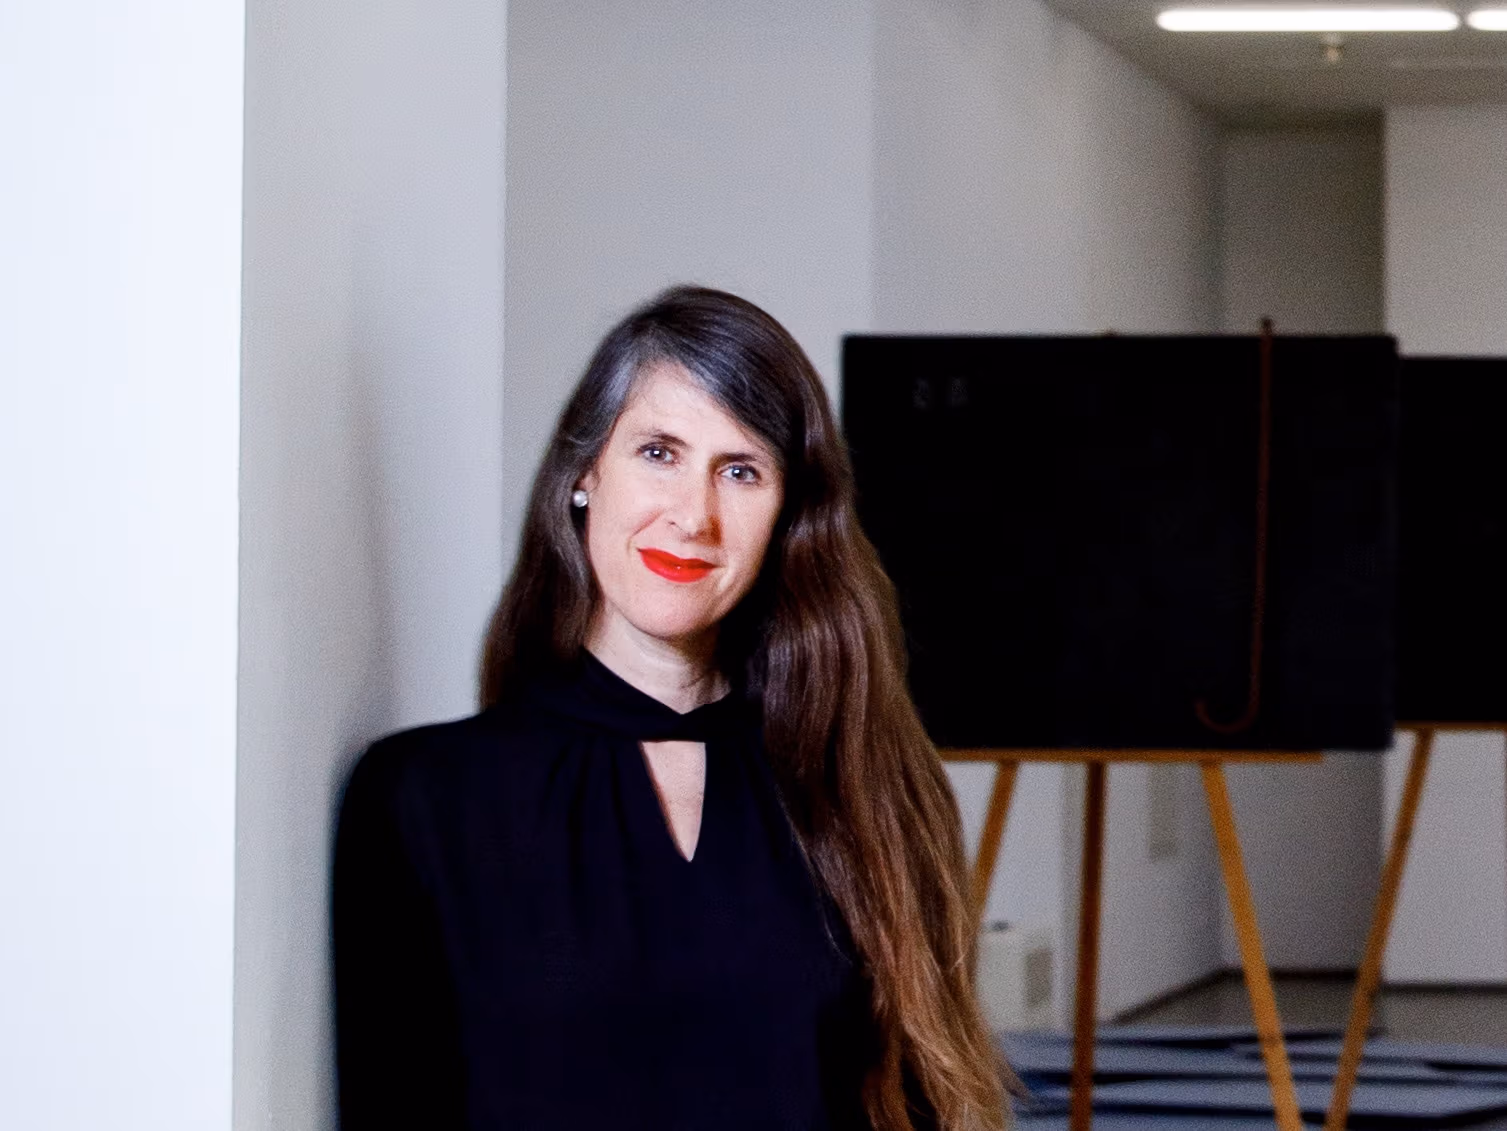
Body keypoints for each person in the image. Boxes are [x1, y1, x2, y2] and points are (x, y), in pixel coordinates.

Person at [331, 286, 1014, 1130]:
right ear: (585, 474)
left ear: (788, 517)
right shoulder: (422, 796)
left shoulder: (870, 789)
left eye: (740, 471)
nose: (694, 515)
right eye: (658, 451)